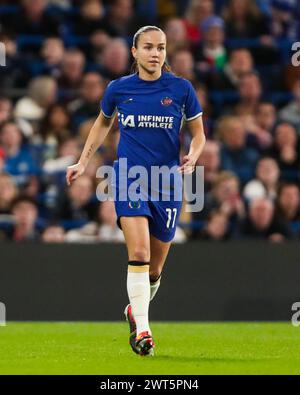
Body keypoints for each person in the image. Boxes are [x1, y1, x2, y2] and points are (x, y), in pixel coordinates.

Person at [66, 26, 206, 356]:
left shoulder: (182, 89)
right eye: (148, 47)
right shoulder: (119, 89)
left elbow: (199, 135)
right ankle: (143, 331)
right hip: (129, 177)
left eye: (160, 47)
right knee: (139, 255)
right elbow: (102, 123)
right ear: (135, 52)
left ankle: (134, 311)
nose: (155, 53)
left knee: (154, 271)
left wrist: (194, 156)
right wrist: (82, 162)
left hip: (168, 183)